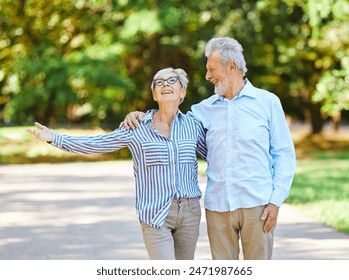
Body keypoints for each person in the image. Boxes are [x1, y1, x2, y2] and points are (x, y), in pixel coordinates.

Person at [121, 37, 297, 260]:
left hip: (258, 206)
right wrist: (142, 117)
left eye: (212, 69)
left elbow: (283, 154)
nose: (207, 76)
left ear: (231, 66)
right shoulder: (202, 110)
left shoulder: (267, 102)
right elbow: (171, 119)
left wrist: (275, 201)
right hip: (218, 208)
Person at [27, 67, 207, 260]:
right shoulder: (137, 127)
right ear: (154, 94)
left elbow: (217, 156)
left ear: (183, 91)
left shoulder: (193, 125)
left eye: (171, 80)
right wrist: (53, 137)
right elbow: (96, 144)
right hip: (155, 213)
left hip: (190, 212)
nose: (165, 84)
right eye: (159, 82)